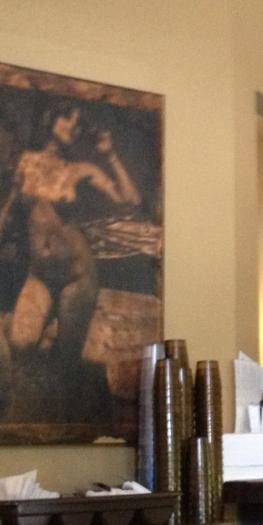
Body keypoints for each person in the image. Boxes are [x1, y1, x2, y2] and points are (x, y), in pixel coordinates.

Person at [5, 100, 141, 421]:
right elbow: (10, 209)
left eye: (78, 124)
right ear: (50, 120)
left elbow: (131, 200)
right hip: (39, 274)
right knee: (20, 343)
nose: (73, 127)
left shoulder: (81, 170)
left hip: (77, 275)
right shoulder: (27, 162)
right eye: (68, 119)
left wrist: (110, 154)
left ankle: (63, 420)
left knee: (65, 362)